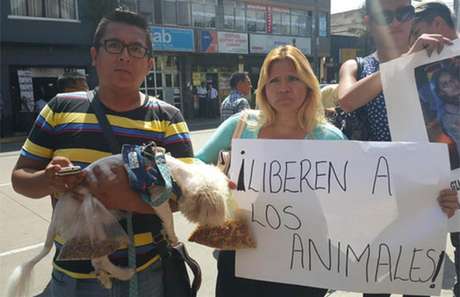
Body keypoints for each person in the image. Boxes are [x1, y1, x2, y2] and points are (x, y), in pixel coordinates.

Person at [11, 9, 193, 297]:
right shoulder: (60, 108)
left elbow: (186, 196)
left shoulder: (167, 117)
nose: (124, 56)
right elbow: (20, 177)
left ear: (149, 63)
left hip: (146, 274)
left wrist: (128, 199)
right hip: (72, 279)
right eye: (114, 45)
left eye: (135, 48)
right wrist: (49, 180)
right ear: (94, 55)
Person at [197, 45, 344, 297]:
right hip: (240, 258)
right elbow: (194, 166)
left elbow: (358, 196)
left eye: (293, 79)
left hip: (303, 262)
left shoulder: (330, 139)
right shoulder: (240, 126)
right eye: (274, 80)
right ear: (263, 88)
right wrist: (215, 180)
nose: (283, 87)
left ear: (309, 85)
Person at [338, 0, 455, 296]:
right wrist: (405, 62)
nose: (396, 22)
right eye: (384, 15)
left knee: (418, 290)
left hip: (425, 201)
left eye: (403, 13)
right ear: (368, 21)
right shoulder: (357, 65)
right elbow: (347, 99)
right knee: (376, 289)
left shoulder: (434, 60)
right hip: (377, 205)